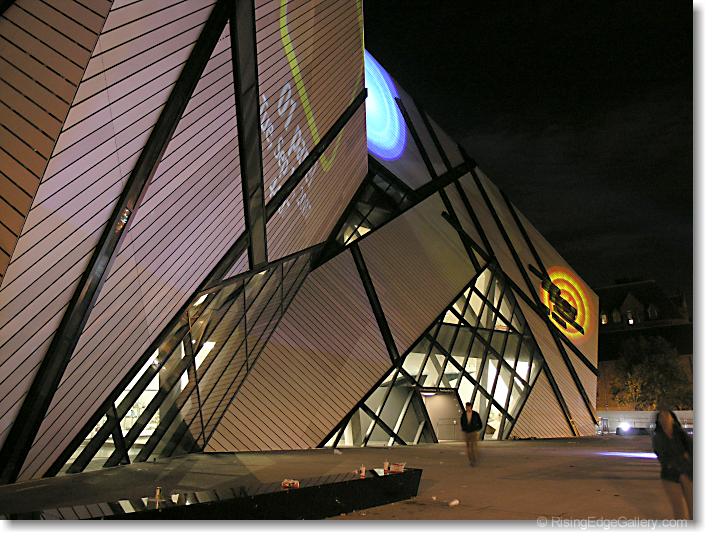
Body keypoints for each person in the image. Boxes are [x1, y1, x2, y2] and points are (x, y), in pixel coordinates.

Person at [652, 409, 693, 519]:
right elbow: (663, 457)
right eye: (661, 417)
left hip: (687, 473)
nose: (665, 419)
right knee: (679, 508)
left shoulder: (681, 434)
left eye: (667, 416)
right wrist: (682, 456)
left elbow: (692, 450)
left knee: (693, 506)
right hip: (669, 475)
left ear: (673, 419)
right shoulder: (658, 438)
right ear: (659, 421)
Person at [460, 402, 482, 467]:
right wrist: (464, 428)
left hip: (473, 432)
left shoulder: (475, 414)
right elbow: (462, 422)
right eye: (466, 407)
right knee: (468, 447)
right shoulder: (464, 414)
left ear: (470, 407)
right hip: (467, 432)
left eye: (468, 407)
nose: (467, 408)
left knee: (473, 447)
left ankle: (473, 460)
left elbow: (480, 423)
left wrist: (477, 429)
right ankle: (471, 460)